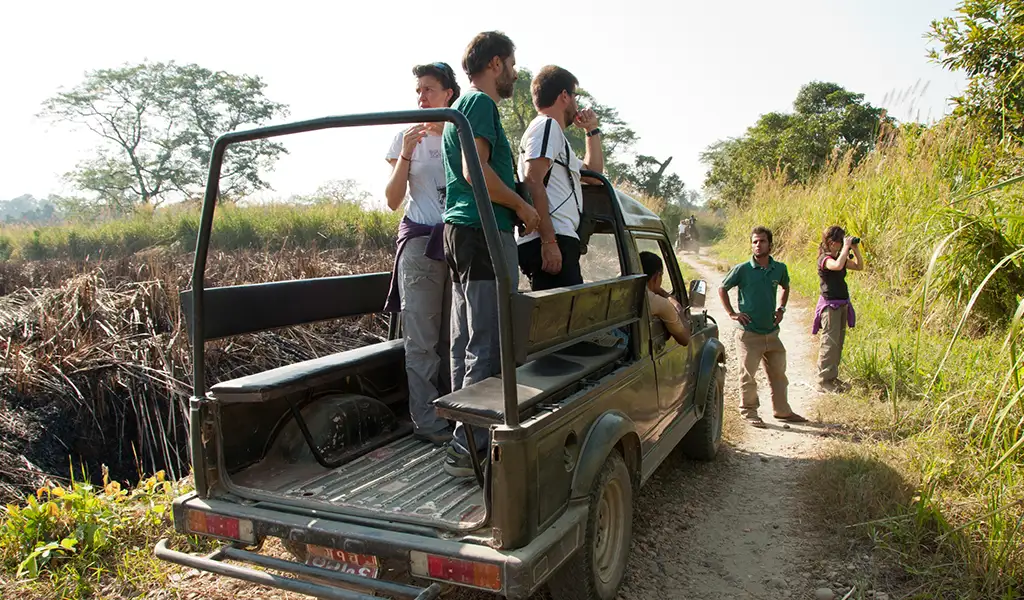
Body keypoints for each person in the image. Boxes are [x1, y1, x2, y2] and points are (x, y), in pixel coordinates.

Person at [441, 31, 540, 477]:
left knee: (466, 341)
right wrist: (521, 206)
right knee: (487, 342)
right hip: (482, 233)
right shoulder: (479, 104)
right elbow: (474, 170)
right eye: (513, 64)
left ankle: (462, 436)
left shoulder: (458, 108)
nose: (516, 73)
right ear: (496, 63)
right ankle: (469, 448)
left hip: (462, 231)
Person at [381, 62, 461, 446]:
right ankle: (427, 421)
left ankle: (456, 411)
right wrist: (407, 155)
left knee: (455, 334)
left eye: (429, 89)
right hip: (419, 241)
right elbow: (393, 199)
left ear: (448, 93)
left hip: (458, 243)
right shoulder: (405, 137)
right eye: (418, 90)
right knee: (422, 338)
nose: (421, 97)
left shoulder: (461, 134)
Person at [516, 65, 603, 291]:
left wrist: (591, 130)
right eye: (574, 96)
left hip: (559, 239)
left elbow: (593, 176)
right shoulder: (547, 125)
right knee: (560, 322)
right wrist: (549, 240)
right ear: (564, 95)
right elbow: (532, 179)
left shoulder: (555, 136)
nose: (576, 103)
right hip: (551, 239)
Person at [719, 226, 806, 427]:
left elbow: (785, 286)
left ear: (770, 244)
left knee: (779, 374)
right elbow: (723, 288)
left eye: (762, 241)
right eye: (755, 242)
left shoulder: (780, 269)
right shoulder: (743, 269)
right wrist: (732, 313)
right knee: (748, 376)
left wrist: (781, 309)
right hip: (748, 334)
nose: (758, 245)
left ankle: (782, 411)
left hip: (772, 333)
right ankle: (749, 412)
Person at [812, 226, 863, 393]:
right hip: (830, 305)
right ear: (832, 243)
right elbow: (836, 265)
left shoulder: (838, 256)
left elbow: (858, 266)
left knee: (838, 343)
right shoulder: (824, 259)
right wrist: (846, 248)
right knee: (829, 343)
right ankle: (823, 381)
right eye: (841, 241)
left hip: (842, 304)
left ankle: (832, 377)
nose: (843, 244)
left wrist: (854, 249)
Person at [640, 251, 690, 346]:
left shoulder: (622, 290)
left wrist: (658, 289)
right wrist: (678, 308)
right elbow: (685, 339)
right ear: (656, 276)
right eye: (661, 275)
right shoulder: (660, 303)